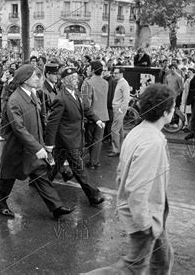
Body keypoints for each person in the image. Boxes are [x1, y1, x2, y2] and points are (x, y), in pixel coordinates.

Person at [84, 84, 175, 275]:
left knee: (163, 258)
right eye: (173, 108)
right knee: (131, 268)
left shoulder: (137, 132)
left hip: (151, 214)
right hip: (146, 217)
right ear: (166, 112)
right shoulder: (153, 142)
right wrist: (145, 224)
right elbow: (137, 188)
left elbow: (120, 173)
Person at [0, 65, 75, 219]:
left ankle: (56, 207)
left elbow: (38, 123)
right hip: (16, 150)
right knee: (7, 177)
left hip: (32, 148)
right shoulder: (15, 100)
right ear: (25, 80)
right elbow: (18, 128)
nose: (38, 78)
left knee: (41, 176)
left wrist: (42, 143)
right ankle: (1, 204)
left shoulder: (31, 94)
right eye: (34, 76)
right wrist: (37, 147)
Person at [45, 67, 105, 205]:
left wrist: (97, 120)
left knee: (57, 164)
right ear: (65, 81)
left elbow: (86, 108)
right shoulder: (61, 98)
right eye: (72, 78)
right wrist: (49, 145)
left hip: (74, 137)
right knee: (79, 168)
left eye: (76, 77)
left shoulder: (75, 93)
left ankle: (42, 182)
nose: (76, 80)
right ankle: (93, 195)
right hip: (66, 139)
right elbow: (52, 123)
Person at [81, 61, 109, 169]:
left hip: (92, 116)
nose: (87, 69)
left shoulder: (88, 82)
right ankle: (95, 161)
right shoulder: (105, 83)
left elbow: (86, 101)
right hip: (103, 114)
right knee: (98, 140)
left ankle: (92, 162)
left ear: (93, 70)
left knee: (90, 140)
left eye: (89, 68)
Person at [109, 67, 131, 157]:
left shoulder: (124, 83)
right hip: (117, 108)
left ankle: (115, 150)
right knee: (120, 130)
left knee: (114, 130)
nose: (114, 75)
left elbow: (126, 99)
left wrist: (121, 110)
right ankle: (120, 148)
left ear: (121, 73)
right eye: (114, 73)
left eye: (116, 73)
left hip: (119, 109)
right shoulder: (120, 83)